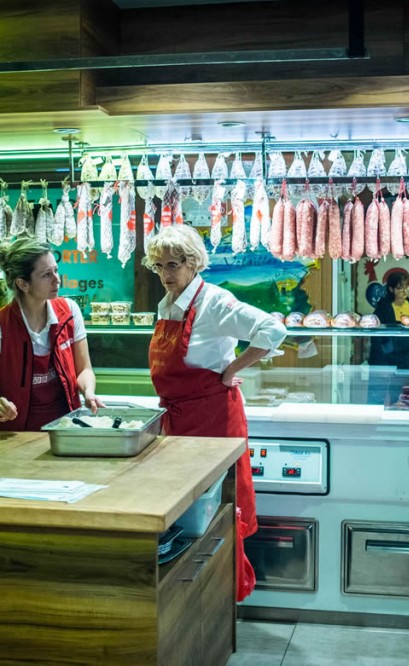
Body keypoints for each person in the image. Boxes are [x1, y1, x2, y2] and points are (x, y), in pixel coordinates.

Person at [143, 224, 286, 601]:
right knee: (186, 511)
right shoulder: (169, 303)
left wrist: (233, 369)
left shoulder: (215, 302)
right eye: (158, 266)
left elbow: (272, 330)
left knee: (220, 509)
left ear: (193, 263)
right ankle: (192, 600)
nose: (165, 275)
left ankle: (223, 599)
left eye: (172, 265)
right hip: (179, 422)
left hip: (214, 423)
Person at [0, 238, 103, 431]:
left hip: (66, 428)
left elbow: (84, 369)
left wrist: (89, 391)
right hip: (16, 434)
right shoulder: (2, 325)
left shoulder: (70, 311)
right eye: (47, 274)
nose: (57, 279)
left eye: (56, 270)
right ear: (23, 284)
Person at [369, 271, 409, 404]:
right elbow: (376, 338)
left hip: (408, 359)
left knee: (403, 396)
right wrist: (381, 364)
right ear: (391, 289)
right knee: (378, 395)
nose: (404, 291)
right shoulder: (383, 308)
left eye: (407, 286)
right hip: (387, 359)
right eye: (399, 287)